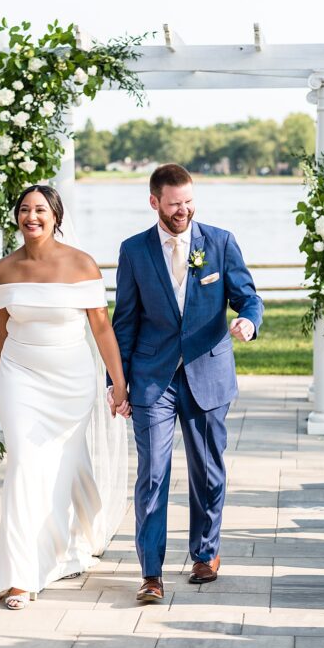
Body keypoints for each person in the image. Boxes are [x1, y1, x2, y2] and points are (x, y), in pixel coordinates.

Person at [113, 163, 264, 603]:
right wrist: (117, 383)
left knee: (208, 473)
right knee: (153, 474)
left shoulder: (219, 242)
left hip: (208, 374)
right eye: (175, 203)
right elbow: (125, 322)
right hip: (152, 379)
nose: (184, 210)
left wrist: (248, 323)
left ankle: (205, 552)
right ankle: (151, 573)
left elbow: (248, 297)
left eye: (189, 201)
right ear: (154, 201)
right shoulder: (134, 250)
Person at [0, 185, 130, 610]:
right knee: (25, 467)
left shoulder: (81, 264)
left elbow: (102, 328)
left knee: (61, 468)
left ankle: (67, 540)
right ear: (17, 217)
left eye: (41, 210)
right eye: (25, 209)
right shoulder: (2, 270)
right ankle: (17, 575)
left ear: (56, 216)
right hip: (20, 376)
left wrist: (118, 383)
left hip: (71, 382)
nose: (32, 216)